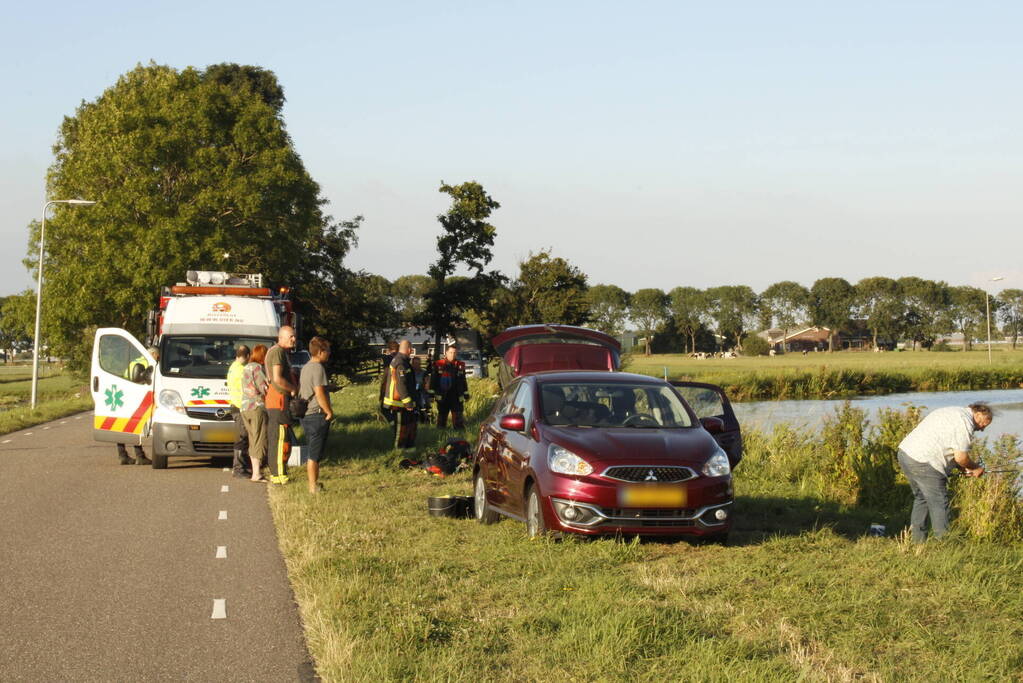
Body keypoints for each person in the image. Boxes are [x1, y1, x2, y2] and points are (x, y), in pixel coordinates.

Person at [897, 403, 991, 542]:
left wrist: (963, 468)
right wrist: (976, 468)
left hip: (905, 454)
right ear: (977, 414)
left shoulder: (951, 410)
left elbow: (950, 448)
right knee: (939, 502)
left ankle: (917, 541)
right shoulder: (964, 423)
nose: (982, 429)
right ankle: (944, 544)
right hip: (925, 461)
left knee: (922, 498)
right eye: (984, 424)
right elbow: (961, 457)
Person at [299, 336, 334, 494]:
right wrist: (328, 412)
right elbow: (319, 393)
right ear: (320, 352)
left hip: (306, 415)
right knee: (314, 454)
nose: (329, 354)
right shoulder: (318, 368)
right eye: (327, 351)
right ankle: (313, 487)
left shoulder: (306, 367)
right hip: (317, 415)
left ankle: (314, 484)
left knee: (313, 451)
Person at [265, 326, 298, 485]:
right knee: (280, 438)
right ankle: (279, 474)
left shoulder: (280, 352)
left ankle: (278, 472)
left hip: (278, 400)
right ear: (282, 337)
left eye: (294, 336)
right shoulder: (277, 352)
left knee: (279, 436)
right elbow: (277, 379)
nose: (294, 339)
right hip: (278, 400)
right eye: (291, 336)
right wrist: (293, 389)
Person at [117, 346, 159, 465]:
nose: (158, 359)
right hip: (137, 397)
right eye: (157, 356)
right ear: (154, 354)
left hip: (125, 394)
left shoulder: (134, 361)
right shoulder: (148, 363)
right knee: (135, 426)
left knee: (122, 426)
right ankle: (139, 456)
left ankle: (122, 455)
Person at [241, 344, 270, 482]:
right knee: (260, 439)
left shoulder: (246, 367)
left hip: (245, 407)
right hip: (256, 406)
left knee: (252, 439)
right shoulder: (257, 367)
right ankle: (256, 473)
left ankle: (255, 472)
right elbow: (263, 387)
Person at [382, 340, 417, 452]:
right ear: (409, 350)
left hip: (402, 402)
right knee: (401, 430)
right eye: (411, 349)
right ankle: (398, 453)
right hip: (398, 403)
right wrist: (407, 402)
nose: (411, 351)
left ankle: (408, 450)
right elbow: (401, 384)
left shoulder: (403, 361)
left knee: (408, 427)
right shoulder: (400, 363)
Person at [427, 344, 469, 429]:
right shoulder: (439, 364)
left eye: (454, 353)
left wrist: (466, 394)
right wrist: (431, 395)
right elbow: (433, 381)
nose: (452, 354)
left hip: (456, 396)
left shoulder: (460, 365)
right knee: (442, 419)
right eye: (450, 352)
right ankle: (441, 435)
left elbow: (463, 381)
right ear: (446, 352)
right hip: (443, 395)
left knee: (458, 419)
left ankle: (459, 435)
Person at [227, 345, 251, 478]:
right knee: (241, 438)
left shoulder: (233, 367)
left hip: (235, 405)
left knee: (241, 437)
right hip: (240, 406)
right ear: (248, 356)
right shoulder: (242, 369)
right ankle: (238, 468)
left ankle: (240, 466)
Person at [378, 341, 399, 424]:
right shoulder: (401, 359)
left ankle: (392, 422)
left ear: (389, 349)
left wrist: (382, 387)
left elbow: (386, 374)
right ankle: (396, 421)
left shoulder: (387, 359)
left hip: (389, 385)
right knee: (396, 406)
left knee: (384, 407)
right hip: (399, 386)